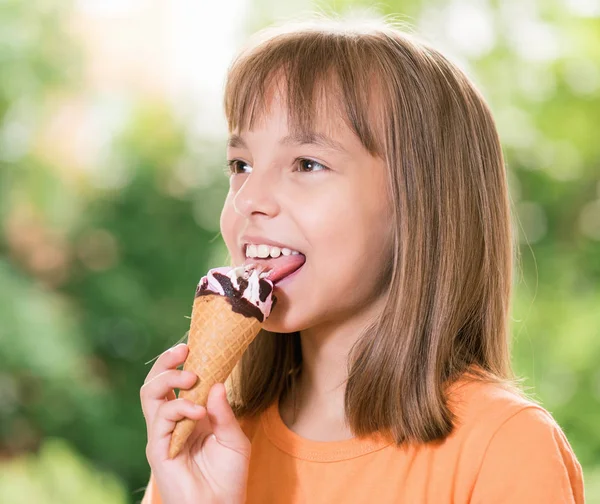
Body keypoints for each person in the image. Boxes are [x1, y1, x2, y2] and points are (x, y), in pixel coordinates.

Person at [139, 16, 585, 504]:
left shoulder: (504, 446)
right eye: (240, 165)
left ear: (421, 204)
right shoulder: (206, 445)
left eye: (307, 164)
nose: (249, 199)